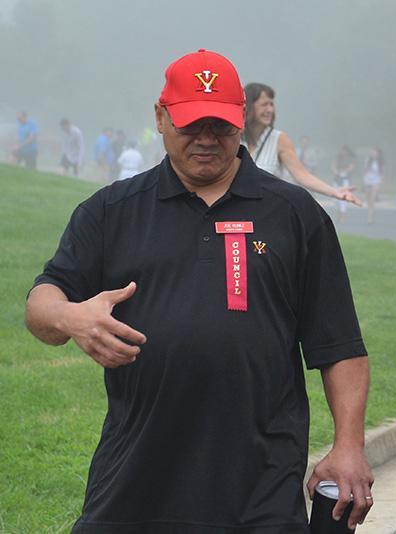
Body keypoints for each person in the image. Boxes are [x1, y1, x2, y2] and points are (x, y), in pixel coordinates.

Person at [25, 49, 373, 533]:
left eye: (222, 126)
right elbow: (41, 302)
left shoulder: (295, 214)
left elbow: (339, 346)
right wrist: (70, 317)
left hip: (261, 490)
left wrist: (349, 446)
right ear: (161, 117)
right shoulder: (112, 211)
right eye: (192, 124)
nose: (207, 139)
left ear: (242, 122)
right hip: (135, 480)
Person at [242, 82, 360, 207]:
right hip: (238, 212)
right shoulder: (233, 137)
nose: (270, 109)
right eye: (264, 104)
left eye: (272, 104)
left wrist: (334, 192)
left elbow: (301, 175)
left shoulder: (279, 139)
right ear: (249, 106)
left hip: (265, 210)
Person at [331, 145, 355, 223]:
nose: (344, 153)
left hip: (345, 180)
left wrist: (342, 172)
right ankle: (338, 215)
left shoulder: (350, 160)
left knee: (344, 199)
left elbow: (350, 168)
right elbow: (333, 167)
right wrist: (336, 172)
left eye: (345, 151)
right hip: (337, 179)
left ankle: (343, 216)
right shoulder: (337, 159)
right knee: (336, 199)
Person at [363, 148, 383, 225]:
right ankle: (371, 213)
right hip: (368, 181)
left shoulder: (380, 162)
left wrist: (380, 184)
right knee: (369, 201)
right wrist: (364, 183)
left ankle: (370, 218)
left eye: (375, 153)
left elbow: (382, 174)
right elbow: (365, 172)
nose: (374, 154)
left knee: (372, 200)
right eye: (373, 153)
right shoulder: (368, 161)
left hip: (376, 182)